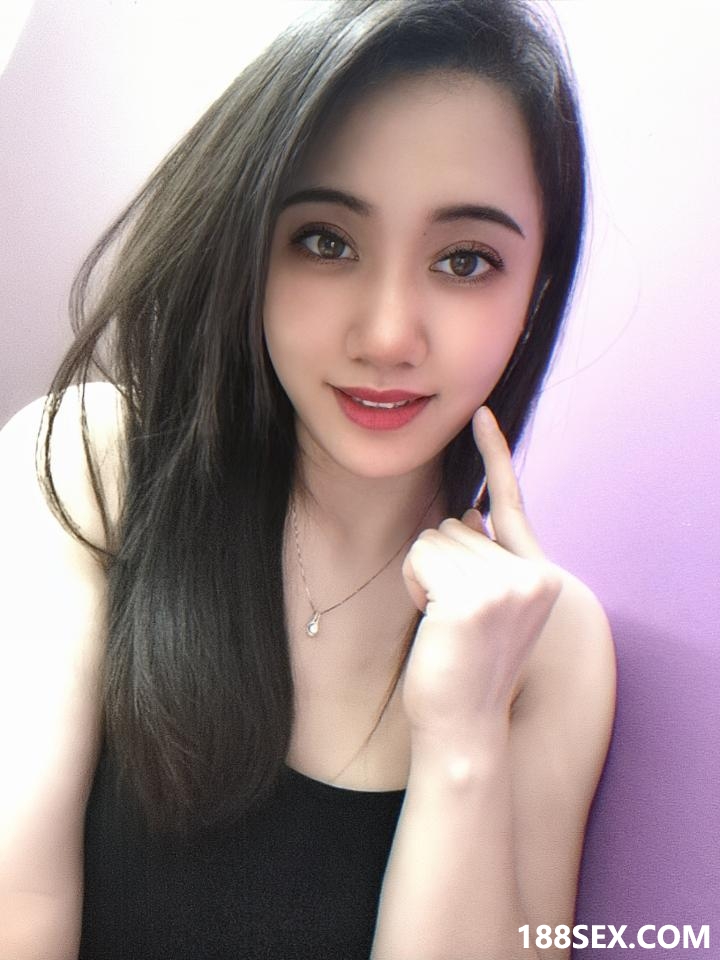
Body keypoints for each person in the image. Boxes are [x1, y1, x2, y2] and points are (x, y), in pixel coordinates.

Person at [0, 1, 616, 957]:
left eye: (465, 260)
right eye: (327, 240)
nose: (387, 336)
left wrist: (463, 740)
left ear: (534, 297)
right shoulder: (94, 464)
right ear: (251, 248)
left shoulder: (550, 645)